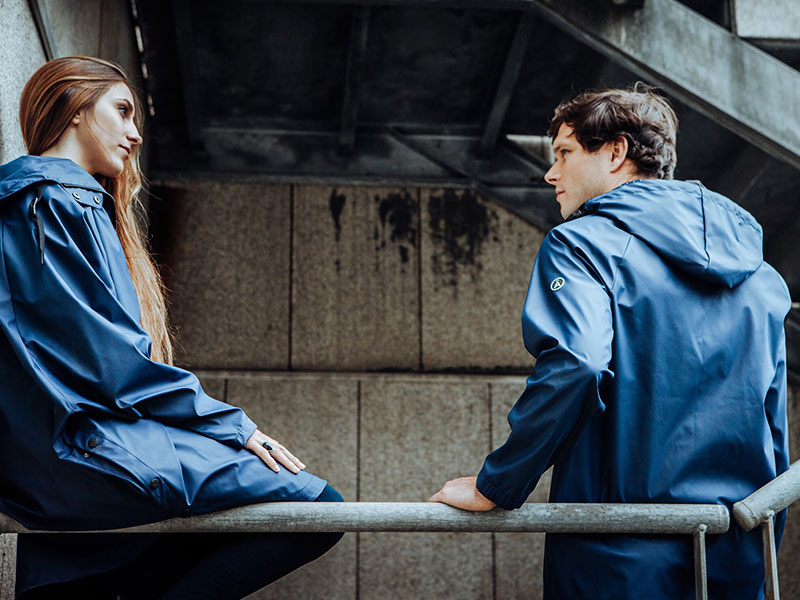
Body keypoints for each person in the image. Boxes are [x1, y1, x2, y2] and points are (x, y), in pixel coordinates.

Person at [0, 56, 343, 599]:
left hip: (44, 461)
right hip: (83, 445)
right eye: (122, 110)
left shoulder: (34, 203)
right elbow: (111, 361)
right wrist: (232, 426)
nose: (135, 133)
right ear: (73, 108)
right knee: (319, 507)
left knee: (138, 553)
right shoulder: (57, 203)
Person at [430, 84, 790, 599]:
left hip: (615, 555)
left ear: (616, 152)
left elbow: (577, 364)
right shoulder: (763, 280)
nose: (551, 173)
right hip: (737, 556)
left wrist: (498, 485)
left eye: (564, 153)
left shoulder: (579, 243)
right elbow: (774, 432)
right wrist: (760, 555)